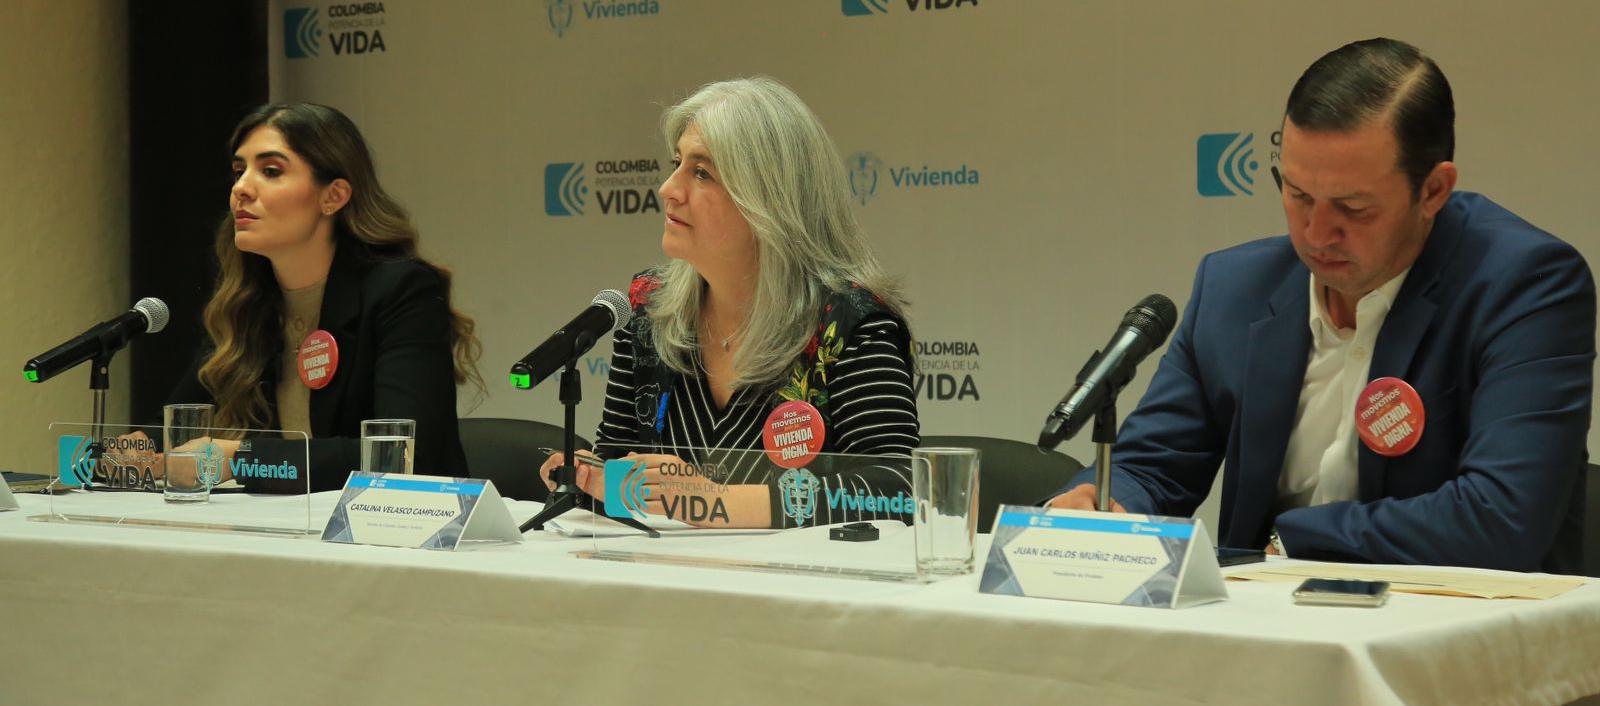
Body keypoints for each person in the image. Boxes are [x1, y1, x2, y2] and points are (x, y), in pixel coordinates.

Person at [1047, 38, 1594, 573]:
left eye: (1353, 208)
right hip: (1270, 638)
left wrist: (1289, 541)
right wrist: (1103, 503)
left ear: (1433, 191)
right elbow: (1152, 466)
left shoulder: (1525, 283)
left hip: (1458, 643)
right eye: (1298, 195)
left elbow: (1501, 520)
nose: (1315, 234)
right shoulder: (1232, 288)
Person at [539, 77, 920, 529]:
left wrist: (713, 502)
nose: (667, 188)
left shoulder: (849, 325)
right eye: (676, 163)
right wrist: (593, 478)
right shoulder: (648, 311)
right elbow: (630, 476)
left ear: (769, 200)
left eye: (701, 173)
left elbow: (897, 489)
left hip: (807, 590)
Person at [164, 102, 482, 492]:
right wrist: (138, 449)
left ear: (333, 196)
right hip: (279, 535)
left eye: (270, 171)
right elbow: (176, 436)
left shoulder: (401, 291)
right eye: (238, 170)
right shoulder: (246, 302)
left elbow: (406, 457)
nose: (241, 189)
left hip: (396, 533)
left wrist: (242, 458)